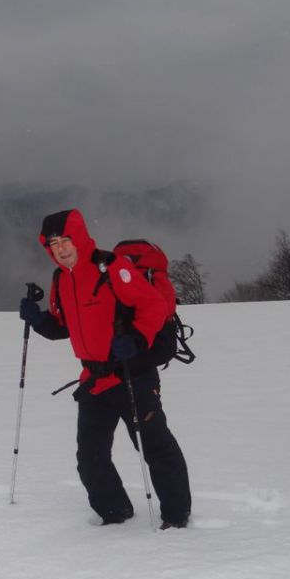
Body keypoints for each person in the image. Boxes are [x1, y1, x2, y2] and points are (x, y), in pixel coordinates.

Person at [19, 209, 192, 529]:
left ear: (80, 237)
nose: (61, 248)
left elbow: (152, 304)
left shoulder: (110, 268)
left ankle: (177, 517)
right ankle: (114, 514)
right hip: (94, 380)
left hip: (132, 375)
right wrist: (38, 318)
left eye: (66, 240)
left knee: (155, 446)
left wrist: (138, 338)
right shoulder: (61, 280)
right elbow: (63, 326)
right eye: (54, 243)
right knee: (90, 458)